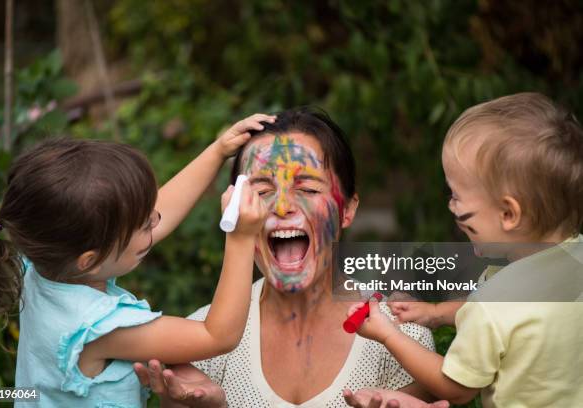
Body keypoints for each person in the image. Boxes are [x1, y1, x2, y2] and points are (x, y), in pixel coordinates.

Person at [135, 107, 447, 408]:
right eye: (261, 189)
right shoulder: (197, 341)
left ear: (348, 210)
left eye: (308, 189)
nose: (282, 206)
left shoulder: (405, 340)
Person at [0, 114, 275, 407]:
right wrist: (240, 237)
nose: (156, 218)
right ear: (89, 260)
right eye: (144, 224)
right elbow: (216, 335)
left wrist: (217, 150)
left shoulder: (45, 256)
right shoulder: (100, 328)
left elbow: (152, 215)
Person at [348, 92, 583, 407]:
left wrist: (389, 335)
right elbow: (517, 321)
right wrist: (436, 314)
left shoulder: (492, 303)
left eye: (458, 196)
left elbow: (455, 387)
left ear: (509, 214)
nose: (451, 205)